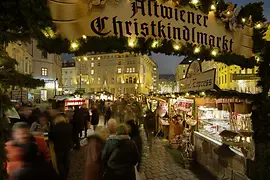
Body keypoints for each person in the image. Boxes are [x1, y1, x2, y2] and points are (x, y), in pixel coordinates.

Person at [50, 115, 73, 180]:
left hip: (59, 147)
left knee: (59, 162)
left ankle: (62, 176)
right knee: (66, 161)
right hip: (68, 146)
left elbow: (52, 137)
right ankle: (66, 174)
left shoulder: (55, 127)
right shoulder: (69, 126)